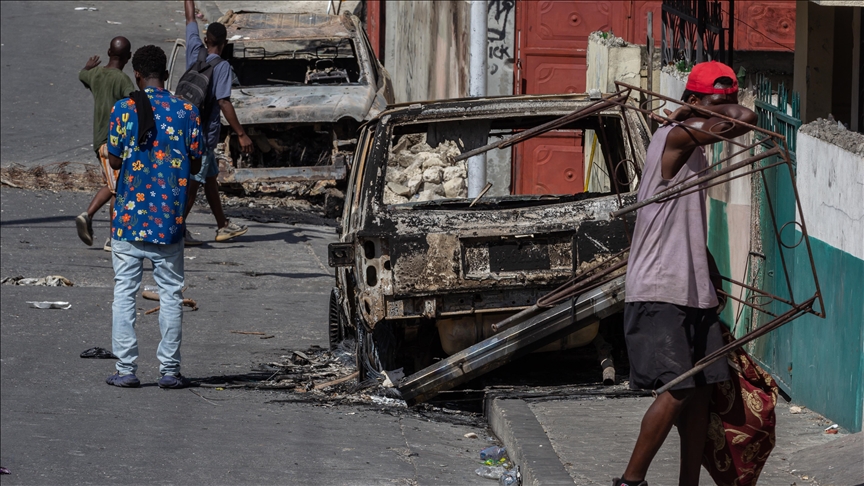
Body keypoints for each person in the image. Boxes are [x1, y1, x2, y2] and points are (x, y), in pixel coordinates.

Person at [614, 61, 757, 486]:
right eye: (714, 104)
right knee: (677, 388)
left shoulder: (695, 143)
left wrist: (709, 270)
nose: (724, 113)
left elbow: (685, 223)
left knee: (700, 393)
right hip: (660, 287)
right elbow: (746, 118)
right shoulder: (673, 137)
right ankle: (630, 481)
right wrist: (694, 114)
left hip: (692, 288)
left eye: (726, 103)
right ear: (692, 102)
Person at [104, 45, 202, 389]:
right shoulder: (187, 111)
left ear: (137, 75)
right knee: (171, 295)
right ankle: (170, 371)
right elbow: (198, 162)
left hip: (129, 219)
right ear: (166, 75)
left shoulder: (124, 108)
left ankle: (126, 368)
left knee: (124, 293)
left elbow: (114, 160)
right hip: (168, 221)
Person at [182, 0, 252, 244]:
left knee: (209, 177)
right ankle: (176, 229)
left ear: (206, 38)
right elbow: (223, 102)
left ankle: (223, 225)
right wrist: (241, 133)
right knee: (193, 183)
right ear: (224, 43)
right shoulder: (221, 67)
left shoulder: (194, 50)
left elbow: (190, 19)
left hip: (184, 127)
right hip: (202, 136)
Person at [75, 37, 135, 251]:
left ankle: (88, 216)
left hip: (99, 140)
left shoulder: (96, 74)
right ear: (129, 57)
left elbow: (83, 75)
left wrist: (87, 67)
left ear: (109, 52)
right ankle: (113, 237)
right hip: (113, 145)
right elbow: (135, 103)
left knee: (112, 185)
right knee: (118, 189)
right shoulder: (122, 80)